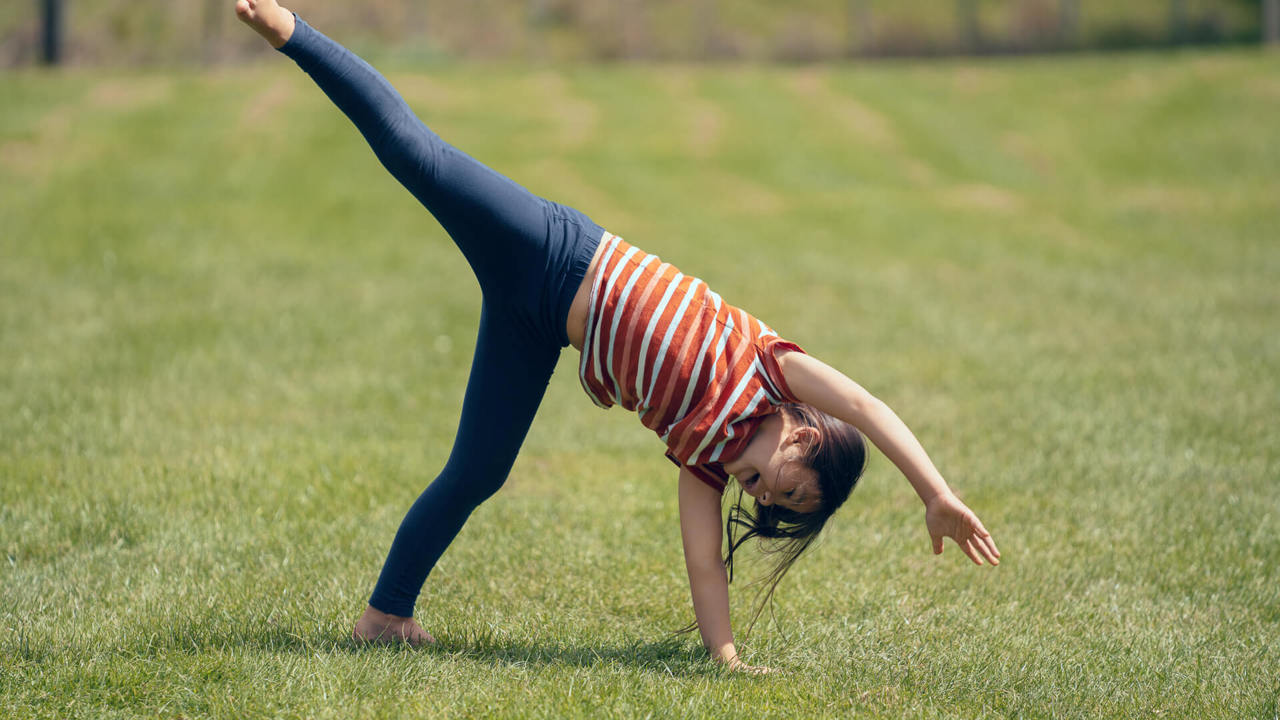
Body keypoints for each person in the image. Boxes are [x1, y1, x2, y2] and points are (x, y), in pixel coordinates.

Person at [234, 0, 1001, 674]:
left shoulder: (704, 461)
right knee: (420, 158)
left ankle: (383, 619)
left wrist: (726, 661)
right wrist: (933, 492)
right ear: (802, 430)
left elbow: (705, 565)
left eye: (767, 501)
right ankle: (290, 29)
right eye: (787, 483)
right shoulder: (777, 371)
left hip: (533, 328)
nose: (760, 488)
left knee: (477, 473)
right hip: (553, 251)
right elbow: (865, 406)